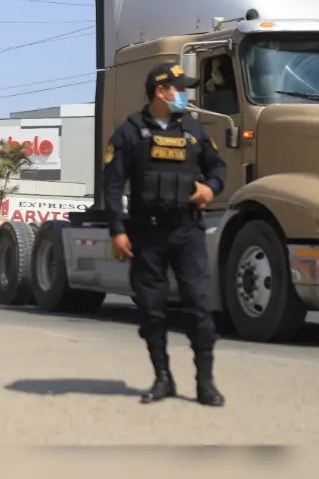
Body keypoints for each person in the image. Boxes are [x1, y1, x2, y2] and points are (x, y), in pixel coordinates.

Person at [103, 61, 227, 407]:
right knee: (152, 310)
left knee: (199, 308)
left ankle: (206, 382)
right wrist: (117, 230)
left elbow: (217, 167)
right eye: (180, 88)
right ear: (161, 91)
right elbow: (112, 185)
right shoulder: (129, 132)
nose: (186, 94)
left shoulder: (194, 130)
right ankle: (163, 378)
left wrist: (211, 189)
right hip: (147, 234)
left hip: (188, 232)